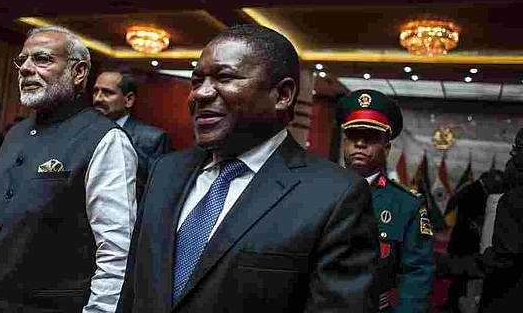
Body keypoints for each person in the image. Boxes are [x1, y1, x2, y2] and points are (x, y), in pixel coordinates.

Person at [116, 24, 379, 313]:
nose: (199, 94)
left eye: (224, 77)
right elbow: (133, 289)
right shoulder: (165, 171)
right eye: (195, 81)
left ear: (283, 95)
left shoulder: (335, 197)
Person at [0, 26, 137, 313]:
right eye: (22, 60)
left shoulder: (106, 139)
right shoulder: (14, 133)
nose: (25, 69)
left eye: (42, 59)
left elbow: (117, 252)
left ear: (78, 72)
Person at [336, 89, 434, 313]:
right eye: (353, 136)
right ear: (344, 143)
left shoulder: (406, 204)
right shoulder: (316, 190)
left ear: (387, 148)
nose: (360, 143)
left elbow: (417, 272)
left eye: (370, 137)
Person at [436, 128, 523, 313]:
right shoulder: (474, 191)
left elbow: (503, 260)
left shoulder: (514, 200)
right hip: (464, 239)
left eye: (516, 150)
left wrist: (445, 265)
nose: (511, 158)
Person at [93, 69, 172, 199]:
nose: (97, 98)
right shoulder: (87, 133)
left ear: (128, 100)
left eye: (107, 92)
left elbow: (157, 190)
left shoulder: (153, 139)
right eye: (96, 91)